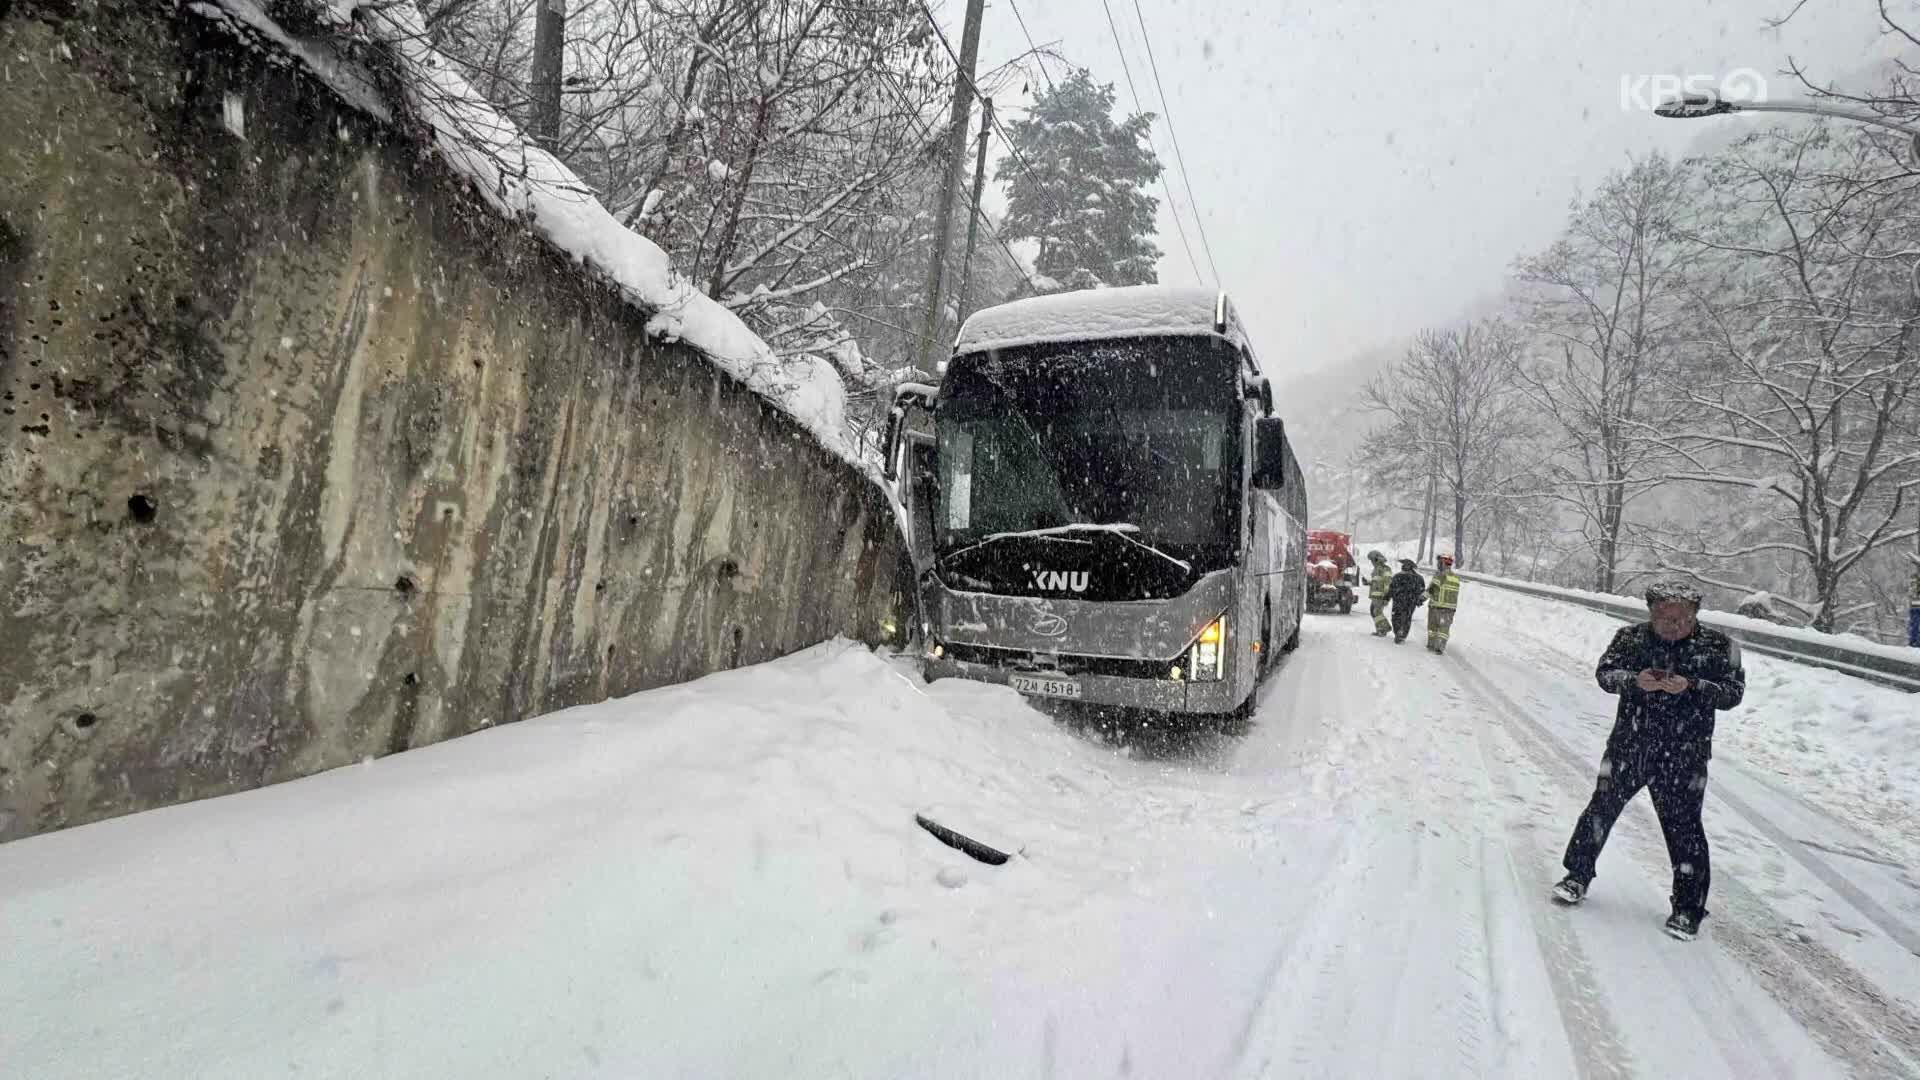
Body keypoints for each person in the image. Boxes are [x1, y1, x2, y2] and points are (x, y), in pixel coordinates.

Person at [1552, 580, 1746, 941]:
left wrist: (1692, 686)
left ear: (1695, 615)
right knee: (1600, 810)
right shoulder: (1630, 638)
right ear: (1651, 613)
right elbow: (1605, 674)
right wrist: (1633, 681)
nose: (1672, 624)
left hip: (1685, 754)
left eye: (1681, 617)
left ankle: (1688, 910)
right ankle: (1576, 876)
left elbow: (1733, 693)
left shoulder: (1720, 647)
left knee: (1685, 830)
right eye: (1664, 616)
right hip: (1630, 745)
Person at [1426, 554, 1461, 654]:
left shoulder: (1440, 575)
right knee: (1444, 628)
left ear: (1443, 563)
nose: (1438, 564)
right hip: (1450, 609)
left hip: (1436, 606)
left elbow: (1431, 589)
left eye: (1439, 562)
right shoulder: (1456, 577)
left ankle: (1432, 644)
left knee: (1432, 627)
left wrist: (1421, 598)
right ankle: (1440, 646)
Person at [1386, 558, 1426, 645]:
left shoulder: (1399, 576)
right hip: (1408, 601)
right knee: (1405, 618)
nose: (1403, 566)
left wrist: (1387, 597)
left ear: (1410, 567)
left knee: (1399, 617)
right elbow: (1422, 590)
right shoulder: (1418, 578)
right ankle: (1401, 634)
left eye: (1405, 565)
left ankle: (1400, 634)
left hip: (1402, 601)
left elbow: (1421, 590)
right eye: (1403, 565)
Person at [1365, 550, 1393, 636]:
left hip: (1381, 596)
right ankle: (1380, 629)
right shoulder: (1376, 569)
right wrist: (1368, 582)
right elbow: (1377, 582)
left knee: (1377, 612)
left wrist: (1386, 597)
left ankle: (1384, 628)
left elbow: (1388, 583)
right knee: (1374, 612)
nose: (1371, 562)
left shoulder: (1385, 569)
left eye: (1372, 560)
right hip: (1375, 596)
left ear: (1377, 559)